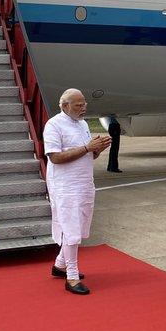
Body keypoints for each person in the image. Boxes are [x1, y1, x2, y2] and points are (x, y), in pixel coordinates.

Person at [44, 89, 111, 295]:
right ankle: (71, 276)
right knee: (71, 229)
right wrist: (87, 147)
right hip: (65, 186)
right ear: (65, 106)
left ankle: (59, 264)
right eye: (78, 105)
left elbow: (87, 155)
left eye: (84, 105)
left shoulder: (82, 124)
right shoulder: (54, 125)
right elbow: (55, 157)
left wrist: (97, 149)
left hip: (83, 184)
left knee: (80, 226)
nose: (83, 109)